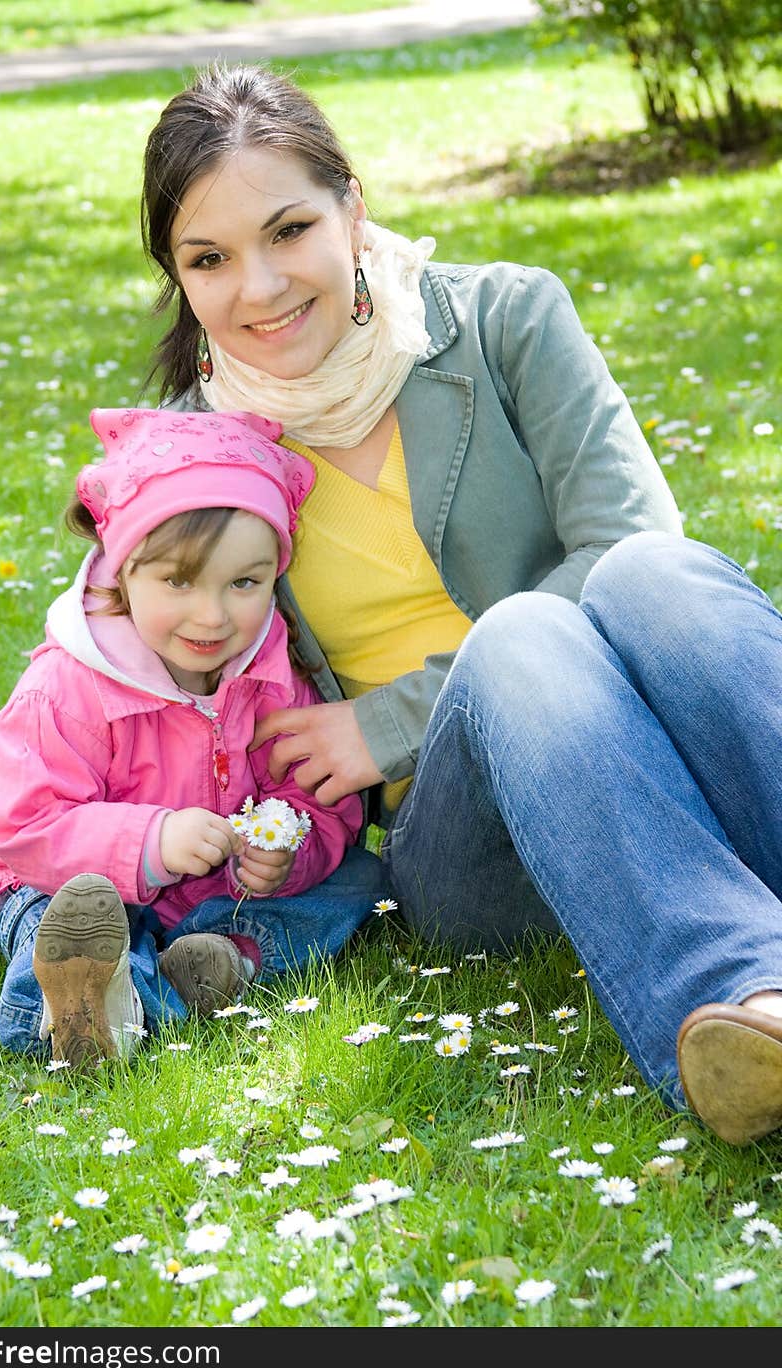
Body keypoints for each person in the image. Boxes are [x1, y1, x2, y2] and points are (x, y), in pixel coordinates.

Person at [135, 61, 782, 1148]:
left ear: (352, 207)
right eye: (209, 259)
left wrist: (384, 711)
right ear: (181, 279)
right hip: (470, 843)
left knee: (649, 573)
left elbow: (630, 535)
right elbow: (131, 689)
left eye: (288, 229)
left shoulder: (504, 318)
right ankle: (749, 1005)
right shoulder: (196, 464)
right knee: (526, 631)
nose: (257, 288)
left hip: (657, 755)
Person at [0, 408, 386, 1069]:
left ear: (276, 571)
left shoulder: (272, 675)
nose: (212, 615)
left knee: (358, 878)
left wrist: (286, 848)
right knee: (59, 922)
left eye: (244, 582)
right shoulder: (70, 686)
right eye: (178, 580)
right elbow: (24, 823)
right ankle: (90, 1004)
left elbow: (317, 797)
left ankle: (205, 965)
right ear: (121, 570)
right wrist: (151, 842)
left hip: (209, 893)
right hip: (62, 880)